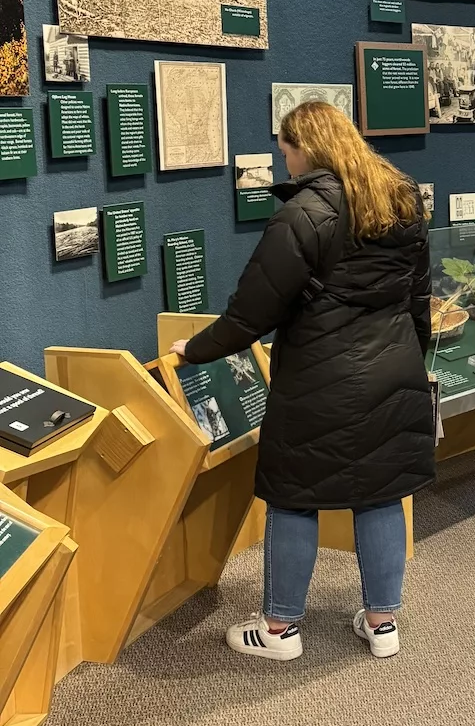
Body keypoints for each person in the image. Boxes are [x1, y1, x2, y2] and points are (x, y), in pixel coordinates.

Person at [172, 100, 436, 662]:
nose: (282, 159)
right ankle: (383, 623)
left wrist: (194, 349)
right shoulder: (401, 199)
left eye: (285, 150)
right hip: (394, 368)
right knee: (381, 494)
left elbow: (252, 312)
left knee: (292, 497)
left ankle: (279, 630)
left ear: (306, 148)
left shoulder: (303, 214)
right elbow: (418, 293)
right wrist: (416, 354)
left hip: (321, 379)